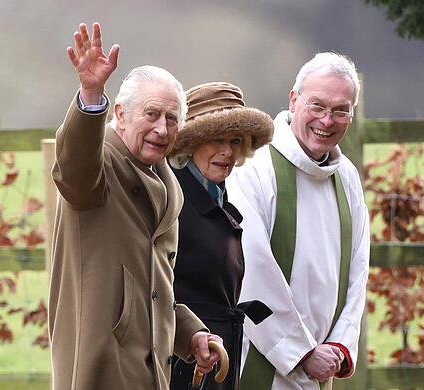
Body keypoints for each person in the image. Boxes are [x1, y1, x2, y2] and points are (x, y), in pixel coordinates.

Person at [47, 22, 224, 390]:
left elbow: (152, 288)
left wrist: (190, 334)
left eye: (172, 119)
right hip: (99, 368)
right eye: (152, 114)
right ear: (121, 114)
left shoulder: (165, 182)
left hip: (148, 371)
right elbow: (73, 170)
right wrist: (90, 95)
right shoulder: (100, 165)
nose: (162, 128)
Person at [226, 52, 370, 390]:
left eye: (340, 110)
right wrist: (302, 352)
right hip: (260, 358)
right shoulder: (255, 168)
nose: (327, 120)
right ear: (294, 100)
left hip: (322, 367)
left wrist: (338, 345)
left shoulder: (347, 177)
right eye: (317, 106)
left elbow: (358, 271)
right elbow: (248, 270)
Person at [166, 82, 274, 390]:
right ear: (191, 142)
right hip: (184, 361)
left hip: (216, 357)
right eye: (216, 138)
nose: (227, 151)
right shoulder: (173, 199)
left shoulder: (217, 197)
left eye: (235, 140)